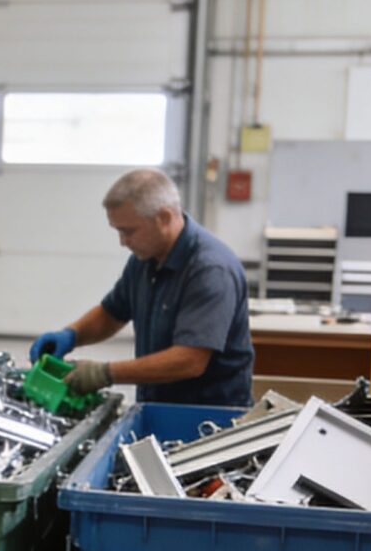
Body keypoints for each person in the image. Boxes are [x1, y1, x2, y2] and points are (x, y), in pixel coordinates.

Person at [29, 167, 254, 407]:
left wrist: (105, 373)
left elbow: (190, 360)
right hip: (160, 407)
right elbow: (111, 313)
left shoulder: (209, 269)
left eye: (128, 231)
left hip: (208, 417)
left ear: (165, 218)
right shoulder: (145, 260)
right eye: (118, 231)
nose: (123, 242)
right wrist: (71, 335)